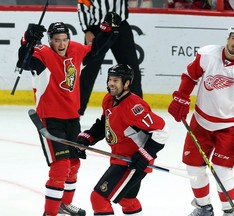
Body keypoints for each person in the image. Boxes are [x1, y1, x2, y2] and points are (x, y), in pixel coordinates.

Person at [16, 21, 114, 216]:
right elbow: (23, 62)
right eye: (56, 40)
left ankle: (64, 204)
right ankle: (50, 213)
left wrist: (109, 30)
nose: (61, 45)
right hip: (50, 119)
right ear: (49, 41)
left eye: (64, 40)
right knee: (60, 166)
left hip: (72, 118)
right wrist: (26, 41)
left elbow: (95, 50)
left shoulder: (75, 49)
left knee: (74, 164)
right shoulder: (42, 53)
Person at [168, 23, 234, 216]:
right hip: (201, 123)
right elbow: (190, 75)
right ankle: (203, 207)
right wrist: (181, 96)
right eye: (233, 38)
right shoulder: (207, 55)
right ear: (227, 38)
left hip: (229, 128)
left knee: (223, 172)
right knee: (193, 168)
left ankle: (230, 212)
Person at [76, 64, 168, 215]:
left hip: (132, 163)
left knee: (98, 198)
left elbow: (162, 130)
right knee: (127, 200)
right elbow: (104, 123)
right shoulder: (108, 100)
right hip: (120, 158)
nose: (111, 83)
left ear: (126, 84)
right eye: (110, 79)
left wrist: (146, 154)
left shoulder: (134, 107)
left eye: (116, 80)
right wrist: (88, 137)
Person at [77, 0, 143, 116]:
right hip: (97, 29)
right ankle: (75, 112)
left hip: (121, 27)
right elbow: (83, 3)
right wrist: (87, 29)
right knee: (88, 73)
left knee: (132, 72)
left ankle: (138, 112)